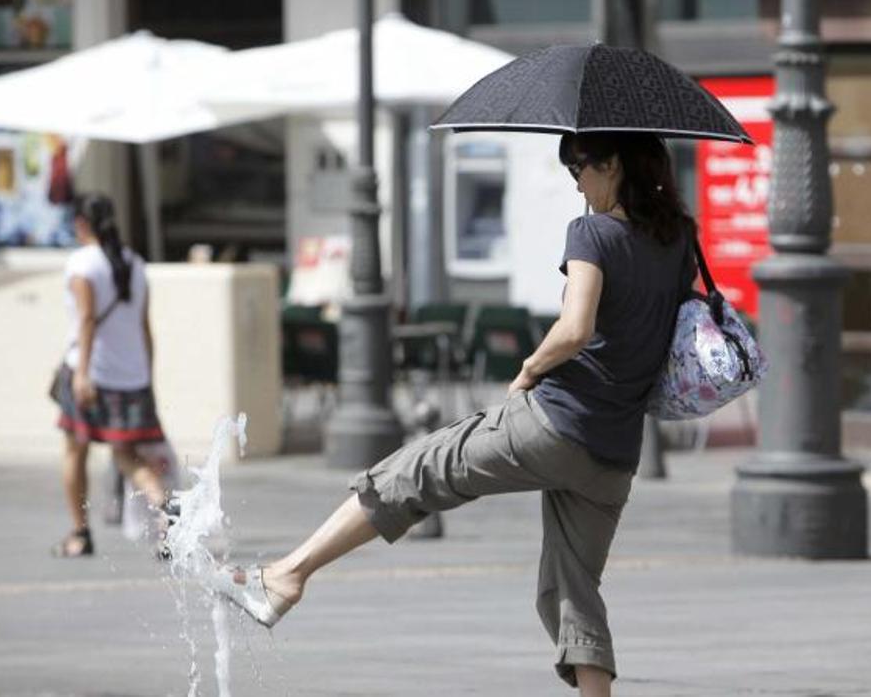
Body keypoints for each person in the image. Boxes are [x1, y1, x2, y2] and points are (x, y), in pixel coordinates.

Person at [213, 132, 697, 695]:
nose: (576, 182)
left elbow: (576, 329)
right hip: (614, 455)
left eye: (580, 167)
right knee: (575, 589)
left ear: (613, 165)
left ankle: (287, 576)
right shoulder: (678, 240)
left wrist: (529, 368)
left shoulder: (593, 233)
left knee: (415, 471)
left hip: (556, 422)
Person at [51, 193, 172, 558]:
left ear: (81, 223)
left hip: (93, 372)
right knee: (127, 456)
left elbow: (87, 319)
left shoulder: (81, 263)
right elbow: (145, 327)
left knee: (75, 451)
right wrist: (147, 375)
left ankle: (80, 533)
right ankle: (164, 510)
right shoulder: (135, 263)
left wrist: (82, 374)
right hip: (132, 376)